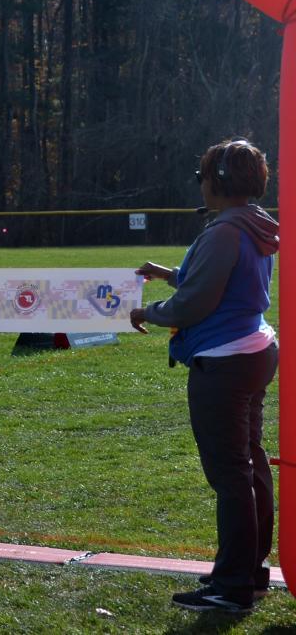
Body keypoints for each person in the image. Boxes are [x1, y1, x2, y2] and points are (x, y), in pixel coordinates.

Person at [130, 139, 278, 614]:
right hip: (254, 350)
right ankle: (249, 573)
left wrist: (148, 311)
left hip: (225, 361)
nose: (200, 184)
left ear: (218, 182)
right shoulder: (253, 222)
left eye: (203, 177)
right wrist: (171, 273)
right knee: (251, 466)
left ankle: (232, 586)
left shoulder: (224, 231)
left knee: (232, 475)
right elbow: (220, 279)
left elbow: (197, 302)